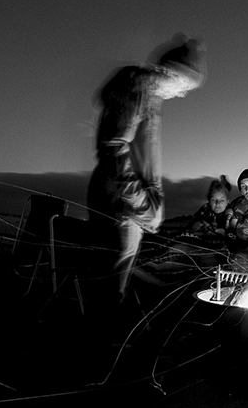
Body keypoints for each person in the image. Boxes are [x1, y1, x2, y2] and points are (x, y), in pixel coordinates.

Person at [85, 37, 205, 307]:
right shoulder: (137, 90)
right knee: (112, 277)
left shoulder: (148, 97)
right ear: (171, 72)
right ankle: (105, 337)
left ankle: (108, 329)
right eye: (185, 84)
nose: (183, 93)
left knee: (117, 274)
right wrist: (141, 203)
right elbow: (113, 147)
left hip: (124, 201)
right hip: (120, 202)